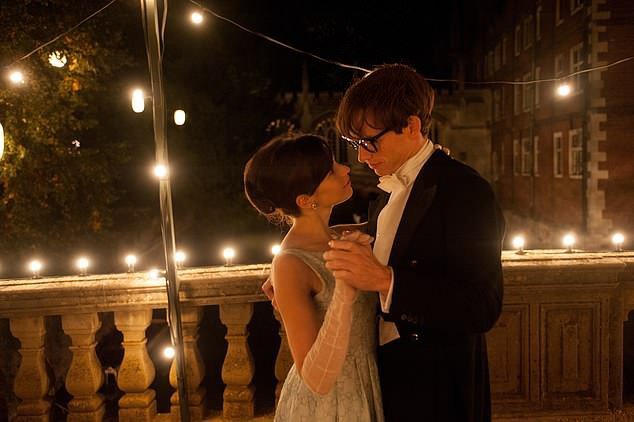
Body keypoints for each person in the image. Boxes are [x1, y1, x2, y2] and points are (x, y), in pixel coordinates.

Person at [323, 63, 505, 421]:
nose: (361, 156)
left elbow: (482, 307)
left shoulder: (465, 190)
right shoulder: (389, 190)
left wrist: (386, 281)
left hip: (438, 386)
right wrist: (299, 256)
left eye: (370, 142)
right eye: (355, 144)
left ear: (411, 125)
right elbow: (396, 242)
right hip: (389, 374)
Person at [244, 134, 384, 421]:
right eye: (330, 171)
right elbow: (315, 379)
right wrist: (343, 291)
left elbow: (396, 222)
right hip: (328, 406)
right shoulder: (290, 264)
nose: (345, 169)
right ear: (306, 200)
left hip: (368, 384)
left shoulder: (342, 236)